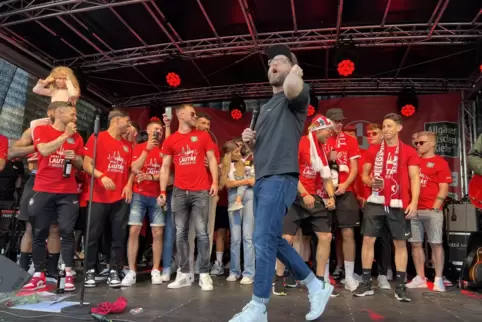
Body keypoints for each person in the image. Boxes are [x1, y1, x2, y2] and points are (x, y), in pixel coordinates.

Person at [229, 44, 331, 322]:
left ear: (292, 68)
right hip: (262, 179)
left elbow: (293, 89)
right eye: (271, 62)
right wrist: (249, 142)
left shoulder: (294, 96)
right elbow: (255, 150)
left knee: (261, 239)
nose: (274, 64)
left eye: (281, 61)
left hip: (281, 177)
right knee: (271, 239)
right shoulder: (264, 108)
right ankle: (315, 284)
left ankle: (259, 306)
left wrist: (295, 73)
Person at [354, 113, 420, 302]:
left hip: (398, 203)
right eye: (384, 126)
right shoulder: (373, 150)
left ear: (399, 128)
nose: (385, 129)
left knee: (400, 243)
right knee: (368, 240)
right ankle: (366, 283)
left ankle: (400, 286)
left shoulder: (408, 151)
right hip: (375, 201)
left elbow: (415, 178)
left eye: (389, 126)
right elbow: (364, 175)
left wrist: (414, 202)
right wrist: (369, 182)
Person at [273, 115, 336, 298]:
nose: (329, 133)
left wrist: (331, 196)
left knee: (326, 236)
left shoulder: (322, 150)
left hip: (314, 198)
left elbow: (326, 177)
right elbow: (291, 172)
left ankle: (319, 281)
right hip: (295, 196)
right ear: (317, 129)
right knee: (286, 239)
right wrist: (304, 193)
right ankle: (278, 279)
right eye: (327, 130)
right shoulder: (301, 143)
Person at [23, 101, 84, 291]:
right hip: (44, 188)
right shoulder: (41, 130)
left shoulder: (78, 137)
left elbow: (82, 165)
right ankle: (38, 274)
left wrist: (74, 158)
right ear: (58, 113)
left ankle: (68, 273)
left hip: (67, 191)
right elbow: (43, 150)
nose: (75, 118)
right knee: (39, 232)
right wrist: (65, 136)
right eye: (72, 114)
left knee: (67, 231)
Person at [157, 105, 218, 291]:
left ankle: (205, 274)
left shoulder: (203, 136)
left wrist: (214, 182)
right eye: (192, 114)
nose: (195, 116)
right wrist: (161, 191)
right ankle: (184, 274)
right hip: (179, 191)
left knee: (202, 233)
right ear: (181, 115)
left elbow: (213, 159)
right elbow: (165, 167)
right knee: (180, 233)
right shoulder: (172, 140)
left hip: (200, 190)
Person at [9, 103, 62, 278]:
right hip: (36, 180)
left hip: (57, 183)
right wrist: (38, 147)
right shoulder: (35, 128)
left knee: (54, 228)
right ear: (50, 112)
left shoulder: (68, 133)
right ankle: (24, 269)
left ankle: (52, 270)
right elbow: (12, 152)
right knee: (31, 227)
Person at [82, 109, 133, 288]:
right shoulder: (97, 138)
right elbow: (86, 164)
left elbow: (131, 169)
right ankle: (89, 270)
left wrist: (128, 185)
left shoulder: (127, 145)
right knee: (93, 235)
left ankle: (114, 270)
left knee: (118, 236)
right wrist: (101, 176)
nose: (129, 125)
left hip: (119, 197)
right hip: (97, 195)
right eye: (127, 121)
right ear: (116, 120)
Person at [121, 119, 169, 287]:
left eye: (161, 130)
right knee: (134, 229)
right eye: (155, 129)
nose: (158, 132)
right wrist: (147, 150)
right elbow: (134, 167)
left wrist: (150, 177)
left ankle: (156, 269)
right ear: (148, 132)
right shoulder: (139, 147)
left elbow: (167, 176)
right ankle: (132, 271)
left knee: (158, 232)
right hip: (139, 195)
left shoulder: (164, 151)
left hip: (156, 196)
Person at [406, 131, 451, 292]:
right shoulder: (413, 161)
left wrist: (436, 205)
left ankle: (438, 278)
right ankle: (420, 277)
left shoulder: (440, 162)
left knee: (436, 244)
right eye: (416, 143)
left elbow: (444, 186)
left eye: (422, 142)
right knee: (415, 244)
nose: (418, 145)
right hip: (414, 209)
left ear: (432, 143)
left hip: (432, 210)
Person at [324, 108, 361, 291]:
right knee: (324, 235)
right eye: (335, 121)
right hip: (324, 192)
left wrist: (345, 184)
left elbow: (355, 168)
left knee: (348, 233)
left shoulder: (350, 140)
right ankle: (322, 276)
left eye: (341, 121)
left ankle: (349, 276)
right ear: (327, 121)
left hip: (345, 191)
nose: (339, 124)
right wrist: (327, 157)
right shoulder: (320, 138)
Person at [187, 113, 220, 275]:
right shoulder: (187, 140)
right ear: (195, 123)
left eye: (208, 124)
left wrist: (211, 166)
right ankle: (187, 270)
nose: (206, 126)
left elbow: (219, 170)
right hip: (189, 191)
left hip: (208, 191)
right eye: (203, 123)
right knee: (189, 231)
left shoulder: (212, 145)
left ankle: (203, 269)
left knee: (207, 231)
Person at [219, 140, 256, 284]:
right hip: (233, 197)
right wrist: (246, 182)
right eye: (235, 152)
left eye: (239, 151)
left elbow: (254, 180)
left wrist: (245, 182)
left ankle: (249, 273)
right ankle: (234, 271)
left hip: (249, 197)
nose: (238, 154)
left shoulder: (246, 162)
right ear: (228, 153)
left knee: (248, 236)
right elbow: (227, 183)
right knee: (235, 237)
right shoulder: (226, 166)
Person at [228, 145, 255, 212]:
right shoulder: (250, 157)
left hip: (251, 178)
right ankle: (238, 201)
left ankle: (238, 201)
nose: (239, 155)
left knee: (242, 187)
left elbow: (247, 166)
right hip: (248, 181)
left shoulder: (251, 157)